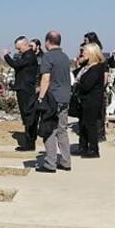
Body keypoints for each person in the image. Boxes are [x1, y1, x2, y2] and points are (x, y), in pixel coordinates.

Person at [36, 31, 72, 172]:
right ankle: (65, 161)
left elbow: (46, 78)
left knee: (49, 129)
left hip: (52, 98)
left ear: (47, 41)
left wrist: (40, 97)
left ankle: (50, 162)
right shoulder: (64, 57)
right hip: (64, 98)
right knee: (62, 131)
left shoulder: (48, 56)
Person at [2, 36, 38, 150]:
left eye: (19, 48)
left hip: (26, 89)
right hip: (23, 88)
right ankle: (29, 141)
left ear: (25, 45)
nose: (18, 50)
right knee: (26, 116)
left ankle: (29, 143)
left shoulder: (29, 55)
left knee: (28, 116)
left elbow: (15, 64)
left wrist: (6, 55)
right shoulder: (26, 55)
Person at [74, 43, 108, 158]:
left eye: (84, 51)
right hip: (84, 100)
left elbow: (87, 85)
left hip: (92, 100)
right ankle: (83, 147)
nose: (81, 53)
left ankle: (93, 149)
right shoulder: (86, 67)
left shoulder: (97, 67)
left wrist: (78, 85)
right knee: (83, 124)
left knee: (90, 125)